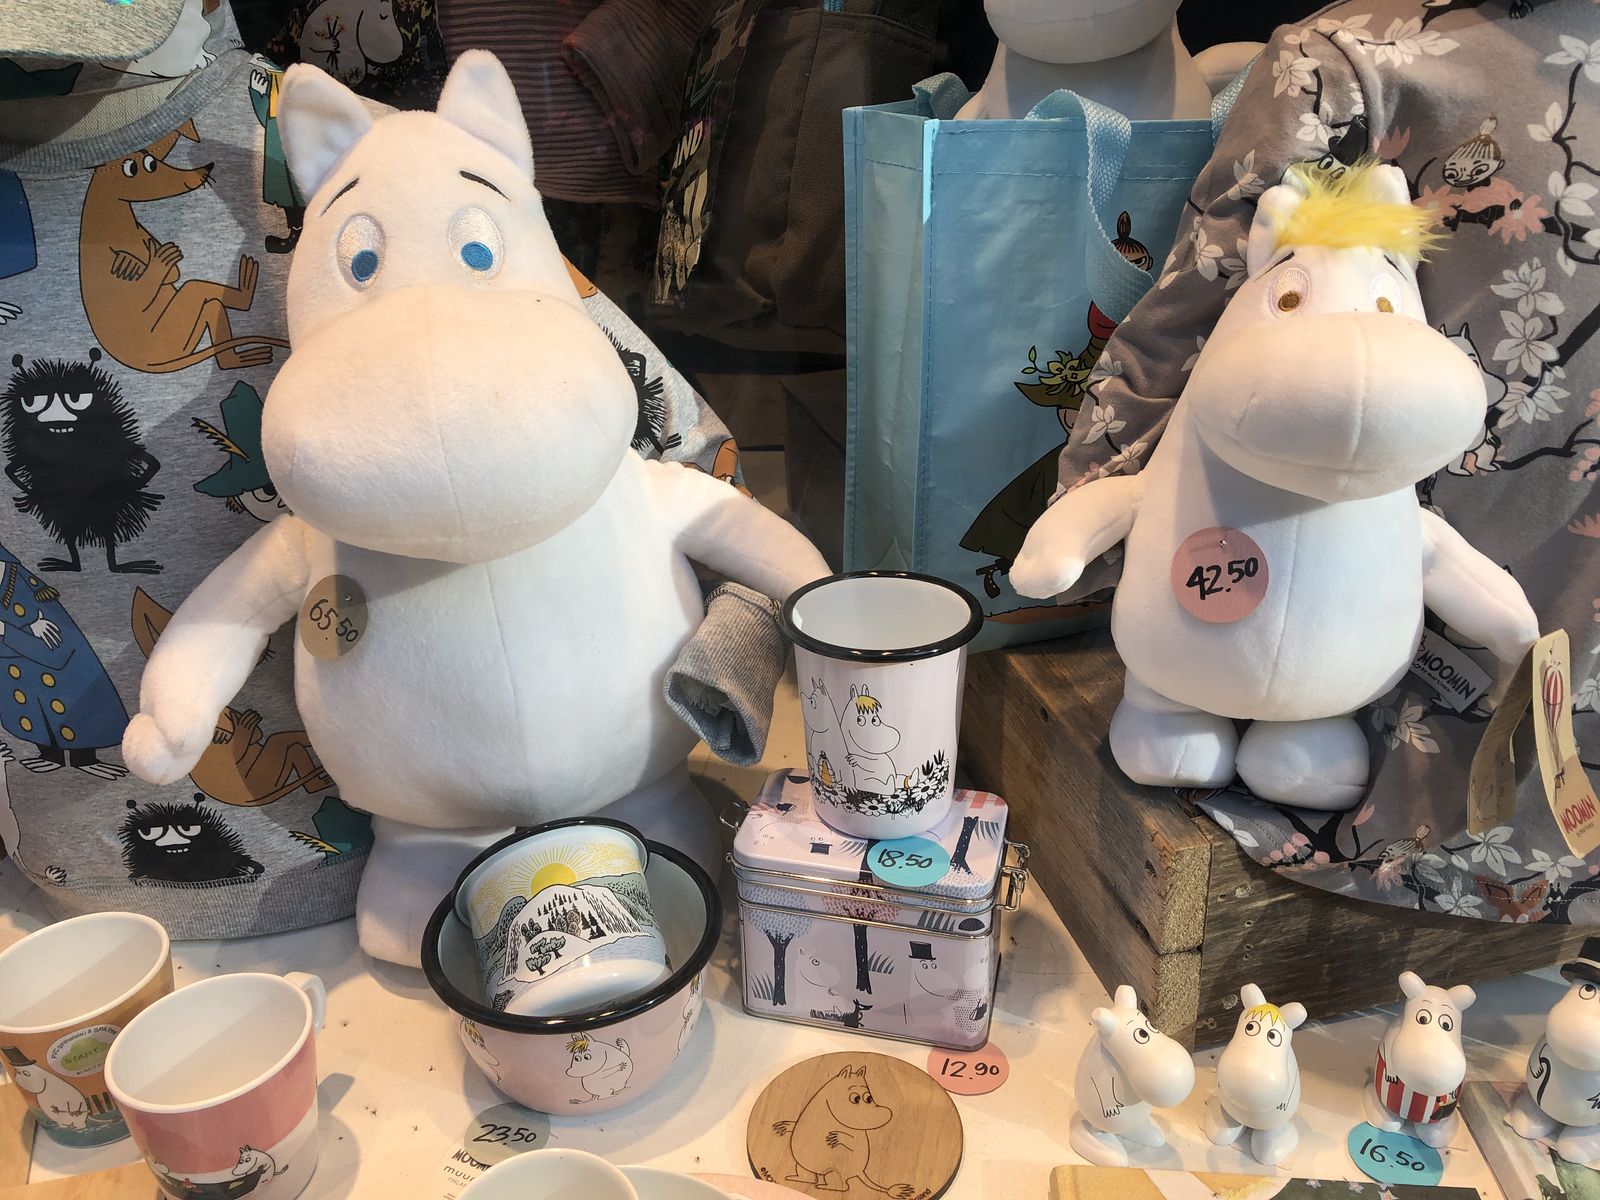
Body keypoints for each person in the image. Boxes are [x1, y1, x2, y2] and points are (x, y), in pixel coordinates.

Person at [1043, 0, 1600, 921]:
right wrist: (1088, 530)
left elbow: (1183, 320)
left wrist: (1093, 506)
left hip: (1395, 764)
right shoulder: (1355, 58)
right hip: (1489, 778)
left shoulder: (1361, 52)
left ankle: (1283, 727)